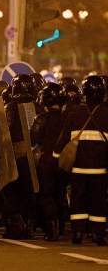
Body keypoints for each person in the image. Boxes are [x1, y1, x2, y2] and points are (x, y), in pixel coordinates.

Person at [56, 76, 108, 245]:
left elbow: (63, 140)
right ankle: (98, 234)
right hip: (100, 168)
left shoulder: (75, 113)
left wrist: (57, 157)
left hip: (78, 168)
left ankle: (77, 233)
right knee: (98, 200)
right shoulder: (106, 114)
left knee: (78, 199)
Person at [3, 74, 38, 239]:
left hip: (15, 155)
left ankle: (17, 226)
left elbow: (6, 129)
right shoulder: (37, 106)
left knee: (11, 190)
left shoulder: (11, 106)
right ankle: (29, 225)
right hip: (34, 155)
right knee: (29, 191)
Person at [31, 83, 66, 241]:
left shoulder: (41, 119)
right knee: (60, 193)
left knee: (46, 194)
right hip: (64, 161)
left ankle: (52, 229)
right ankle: (63, 227)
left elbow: (34, 138)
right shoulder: (68, 118)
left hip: (46, 161)